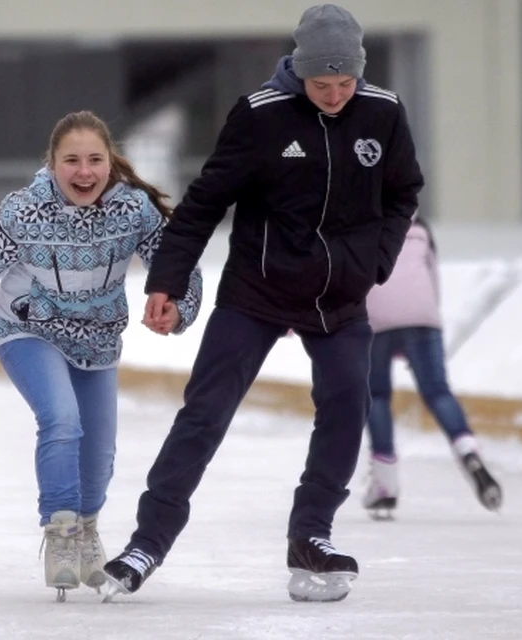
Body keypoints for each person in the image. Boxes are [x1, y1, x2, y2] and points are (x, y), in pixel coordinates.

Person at [102, 3, 424, 603]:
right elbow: (203, 204)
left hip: (341, 297)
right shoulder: (261, 116)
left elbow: (404, 189)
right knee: (206, 411)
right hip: (259, 289)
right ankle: (149, 539)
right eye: (321, 83)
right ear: (298, 71)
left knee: (347, 404)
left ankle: (312, 534)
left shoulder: (383, 111)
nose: (333, 94)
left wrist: (375, 261)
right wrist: (165, 282)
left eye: (344, 82)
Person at [0, 111, 204, 601]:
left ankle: (88, 525)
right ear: (52, 165)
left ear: (109, 162)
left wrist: (178, 307)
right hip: (25, 328)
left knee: (99, 456)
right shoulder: (22, 211)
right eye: (71, 160)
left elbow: (179, 263)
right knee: (61, 419)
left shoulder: (132, 210)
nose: (84, 172)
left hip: (96, 341)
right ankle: (60, 534)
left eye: (94, 160)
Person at [362, 217, 502, 518]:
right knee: (438, 391)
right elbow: (432, 280)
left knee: (377, 395)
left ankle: (385, 484)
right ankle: (468, 451)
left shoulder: (359, 221)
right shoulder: (421, 229)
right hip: (423, 318)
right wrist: (421, 326)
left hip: (376, 319)